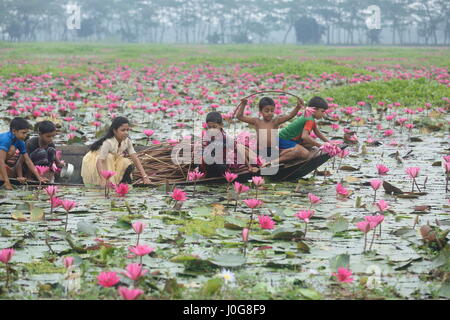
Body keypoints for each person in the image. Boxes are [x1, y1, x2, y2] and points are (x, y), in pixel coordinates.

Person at [81, 116, 151, 186]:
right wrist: (103, 179)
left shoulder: (127, 141)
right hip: (96, 162)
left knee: (126, 161)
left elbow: (135, 158)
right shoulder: (108, 142)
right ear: (114, 131)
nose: (126, 133)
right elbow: (99, 162)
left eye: (127, 130)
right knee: (109, 157)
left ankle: (119, 185)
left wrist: (144, 176)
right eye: (123, 130)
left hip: (112, 160)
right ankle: (108, 184)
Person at [236, 96, 303, 161]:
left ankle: (275, 161)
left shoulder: (275, 121)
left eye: (272, 110)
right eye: (267, 111)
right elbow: (239, 116)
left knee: (295, 152)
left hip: (273, 151)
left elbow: (290, 116)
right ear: (261, 111)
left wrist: (298, 107)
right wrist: (243, 104)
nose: (270, 113)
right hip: (260, 151)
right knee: (241, 149)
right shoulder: (257, 121)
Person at [200, 111, 259, 178]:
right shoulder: (206, 137)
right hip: (208, 164)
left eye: (214, 127)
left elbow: (239, 150)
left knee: (221, 166)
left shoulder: (226, 139)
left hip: (221, 165)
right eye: (209, 127)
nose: (212, 130)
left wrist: (249, 166)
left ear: (221, 125)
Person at [276, 96, 331, 164]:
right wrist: (320, 145)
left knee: (310, 144)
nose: (323, 114)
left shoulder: (309, 116)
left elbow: (317, 132)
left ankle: (291, 150)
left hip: (286, 139)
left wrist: (330, 143)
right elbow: (304, 137)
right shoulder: (309, 119)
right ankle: (277, 159)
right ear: (314, 109)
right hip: (283, 140)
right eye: (322, 111)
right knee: (305, 153)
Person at [0, 117, 47, 190]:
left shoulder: (20, 141)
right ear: (14, 131)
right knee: (11, 150)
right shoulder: (6, 139)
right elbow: (1, 161)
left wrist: (39, 177)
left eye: (26, 133)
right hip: (1, 162)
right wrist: (7, 182)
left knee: (11, 173)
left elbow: (28, 161)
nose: (25, 135)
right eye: (23, 133)